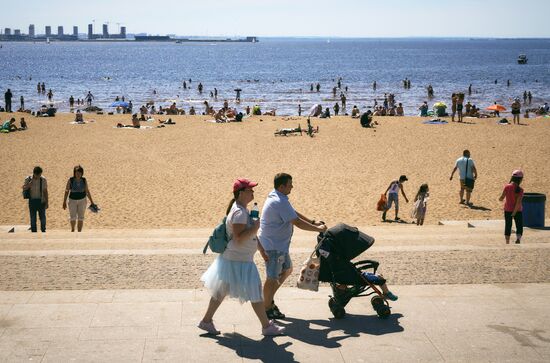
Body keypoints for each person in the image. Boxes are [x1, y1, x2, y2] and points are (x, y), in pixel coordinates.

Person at [199, 178, 285, 336]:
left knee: (221, 291)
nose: (252, 192)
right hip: (240, 260)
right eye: (249, 190)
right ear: (240, 193)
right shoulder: (239, 212)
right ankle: (267, 327)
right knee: (255, 291)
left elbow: (249, 235)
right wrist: (257, 227)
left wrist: (261, 250)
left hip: (234, 259)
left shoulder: (241, 209)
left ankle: (206, 321)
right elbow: (239, 238)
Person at [258, 173, 327, 319]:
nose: (292, 186)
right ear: (282, 186)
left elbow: (293, 213)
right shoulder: (278, 201)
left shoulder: (278, 197)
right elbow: (298, 222)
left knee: (287, 269)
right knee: (272, 277)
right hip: (273, 246)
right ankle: (266, 307)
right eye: (290, 184)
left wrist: (313, 222)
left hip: (279, 245)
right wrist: (319, 229)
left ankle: (268, 301)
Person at [62, 165, 95, 232]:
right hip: (72, 201)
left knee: (81, 217)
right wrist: (64, 201)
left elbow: (87, 191)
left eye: (80, 173)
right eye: (77, 173)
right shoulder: (70, 180)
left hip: (82, 200)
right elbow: (66, 191)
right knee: (73, 217)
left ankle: (79, 232)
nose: (78, 174)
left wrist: (92, 201)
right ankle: (73, 230)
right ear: (74, 173)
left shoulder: (84, 180)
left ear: (82, 173)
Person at [499, 170, 524, 244]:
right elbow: (518, 203)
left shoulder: (507, 186)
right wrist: (514, 213)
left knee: (508, 225)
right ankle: (518, 239)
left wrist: (500, 198)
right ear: (520, 179)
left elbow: (501, 198)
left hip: (507, 209)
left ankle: (507, 242)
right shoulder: (520, 190)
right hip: (518, 210)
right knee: (519, 225)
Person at [22, 166, 48, 233]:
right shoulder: (28, 179)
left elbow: (45, 191)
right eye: (38, 175)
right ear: (34, 173)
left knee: (42, 218)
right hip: (32, 201)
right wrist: (29, 185)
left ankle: (43, 230)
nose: (39, 176)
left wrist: (47, 202)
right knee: (33, 218)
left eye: (40, 174)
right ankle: (34, 232)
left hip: (41, 200)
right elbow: (23, 188)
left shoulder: (43, 179)